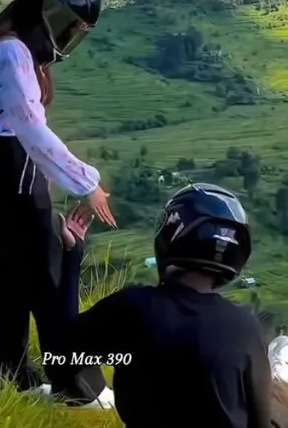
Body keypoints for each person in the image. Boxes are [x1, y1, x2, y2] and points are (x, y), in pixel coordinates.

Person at [0, 0, 116, 408]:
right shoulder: (11, 51)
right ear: (43, 6)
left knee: (18, 274)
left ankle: (12, 374)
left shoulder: (4, 45)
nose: (65, 36)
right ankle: (78, 389)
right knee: (46, 276)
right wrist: (88, 182)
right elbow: (31, 128)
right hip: (15, 167)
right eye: (64, 21)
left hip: (4, 163)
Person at [56, 182, 271, 428]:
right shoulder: (246, 326)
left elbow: (61, 352)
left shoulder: (134, 308)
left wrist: (72, 255)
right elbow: (260, 419)